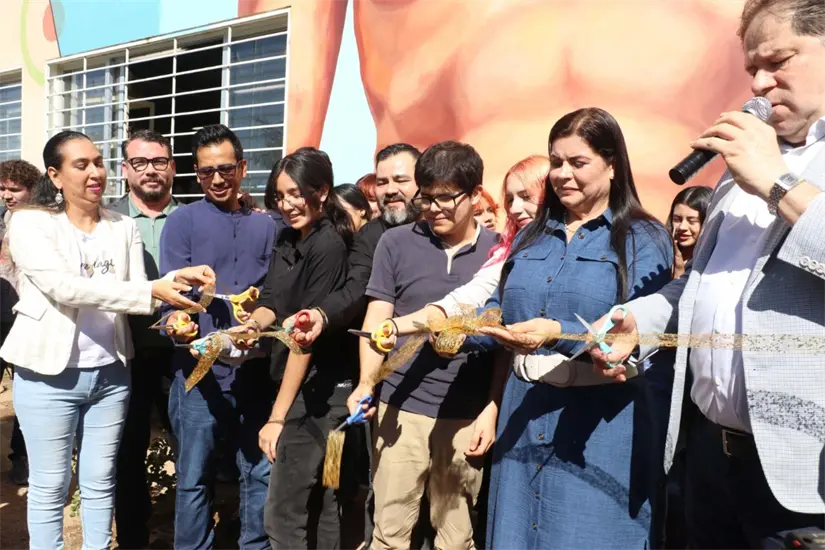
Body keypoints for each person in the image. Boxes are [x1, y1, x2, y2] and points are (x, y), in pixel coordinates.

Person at [589, 1, 825, 546]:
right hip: (708, 459)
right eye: (751, 70)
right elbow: (698, 285)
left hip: (802, 478)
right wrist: (640, 320)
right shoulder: (734, 173)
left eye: (779, 61)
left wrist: (775, 181)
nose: (760, 84)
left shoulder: (761, 168)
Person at [465, 108, 673, 548]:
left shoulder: (644, 238)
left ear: (613, 164)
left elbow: (631, 329)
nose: (562, 174)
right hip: (522, 419)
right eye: (556, 162)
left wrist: (555, 329)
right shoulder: (529, 237)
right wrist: (463, 329)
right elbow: (498, 308)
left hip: (599, 427)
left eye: (577, 163)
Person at [1, 130, 213, 550]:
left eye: (98, 162)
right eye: (81, 165)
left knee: (101, 483)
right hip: (48, 378)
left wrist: (172, 282)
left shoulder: (121, 227)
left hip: (111, 376)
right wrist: (150, 290)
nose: (95, 172)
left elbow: (137, 291)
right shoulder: (29, 222)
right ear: (55, 175)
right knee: (50, 487)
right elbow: (65, 288)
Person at [348, 141, 499, 550]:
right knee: (389, 533)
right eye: (426, 198)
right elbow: (377, 319)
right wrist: (366, 383)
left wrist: (491, 408)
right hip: (401, 410)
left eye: (445, 198)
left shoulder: (499, 251)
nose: (433, 209)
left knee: (455, 538)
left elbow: (507, 342)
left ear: (475, 195)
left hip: (464, 416)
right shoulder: (395, 243)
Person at [160, 124, 277, 550]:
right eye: (207, 171)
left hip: (257, 371)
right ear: (196, 174)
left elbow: (278, 292)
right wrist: (177, 321)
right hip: (199, 372)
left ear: (243, 168)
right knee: (193, 475)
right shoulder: (182, 222)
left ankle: (255, 545)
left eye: (226, 168)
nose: (217, 178)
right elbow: (170, 296)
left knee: (259, 469)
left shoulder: (269, 226)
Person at [229, 148, 352, 549]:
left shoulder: (328, 245)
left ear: (322, 191)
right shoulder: (288, 237)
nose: (287, 204)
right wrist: (253, 325)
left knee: (286, 512)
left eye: (296, 193)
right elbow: (272, 298)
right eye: (280, 196)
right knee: (324, 497)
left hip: (321, 399)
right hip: (306, 391)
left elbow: (303, 339)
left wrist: (277, 417)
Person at [108, 129, 179, 549]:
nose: (150, 169)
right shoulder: (107, 220)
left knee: (191, 447)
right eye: (140, 162)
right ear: (125, 169)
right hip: (126, 354)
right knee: (125, 451)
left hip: (183, 357)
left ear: (172, 167)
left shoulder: (192, 217)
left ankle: (192, 531)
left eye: (159, 161)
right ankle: (133, 537)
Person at [0, 159, 38, 486]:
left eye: (15, 189)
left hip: (26, 318)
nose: (7, 195)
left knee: (27, 393)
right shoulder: (2, 221)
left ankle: (22, 459)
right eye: (3, 189)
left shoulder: (43, 223)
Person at [666, 186, 712, 279]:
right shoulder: (663, 253)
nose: (682, 227)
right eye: (677, 219)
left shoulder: (712, 262)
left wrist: (678, 271)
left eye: (692, 221)